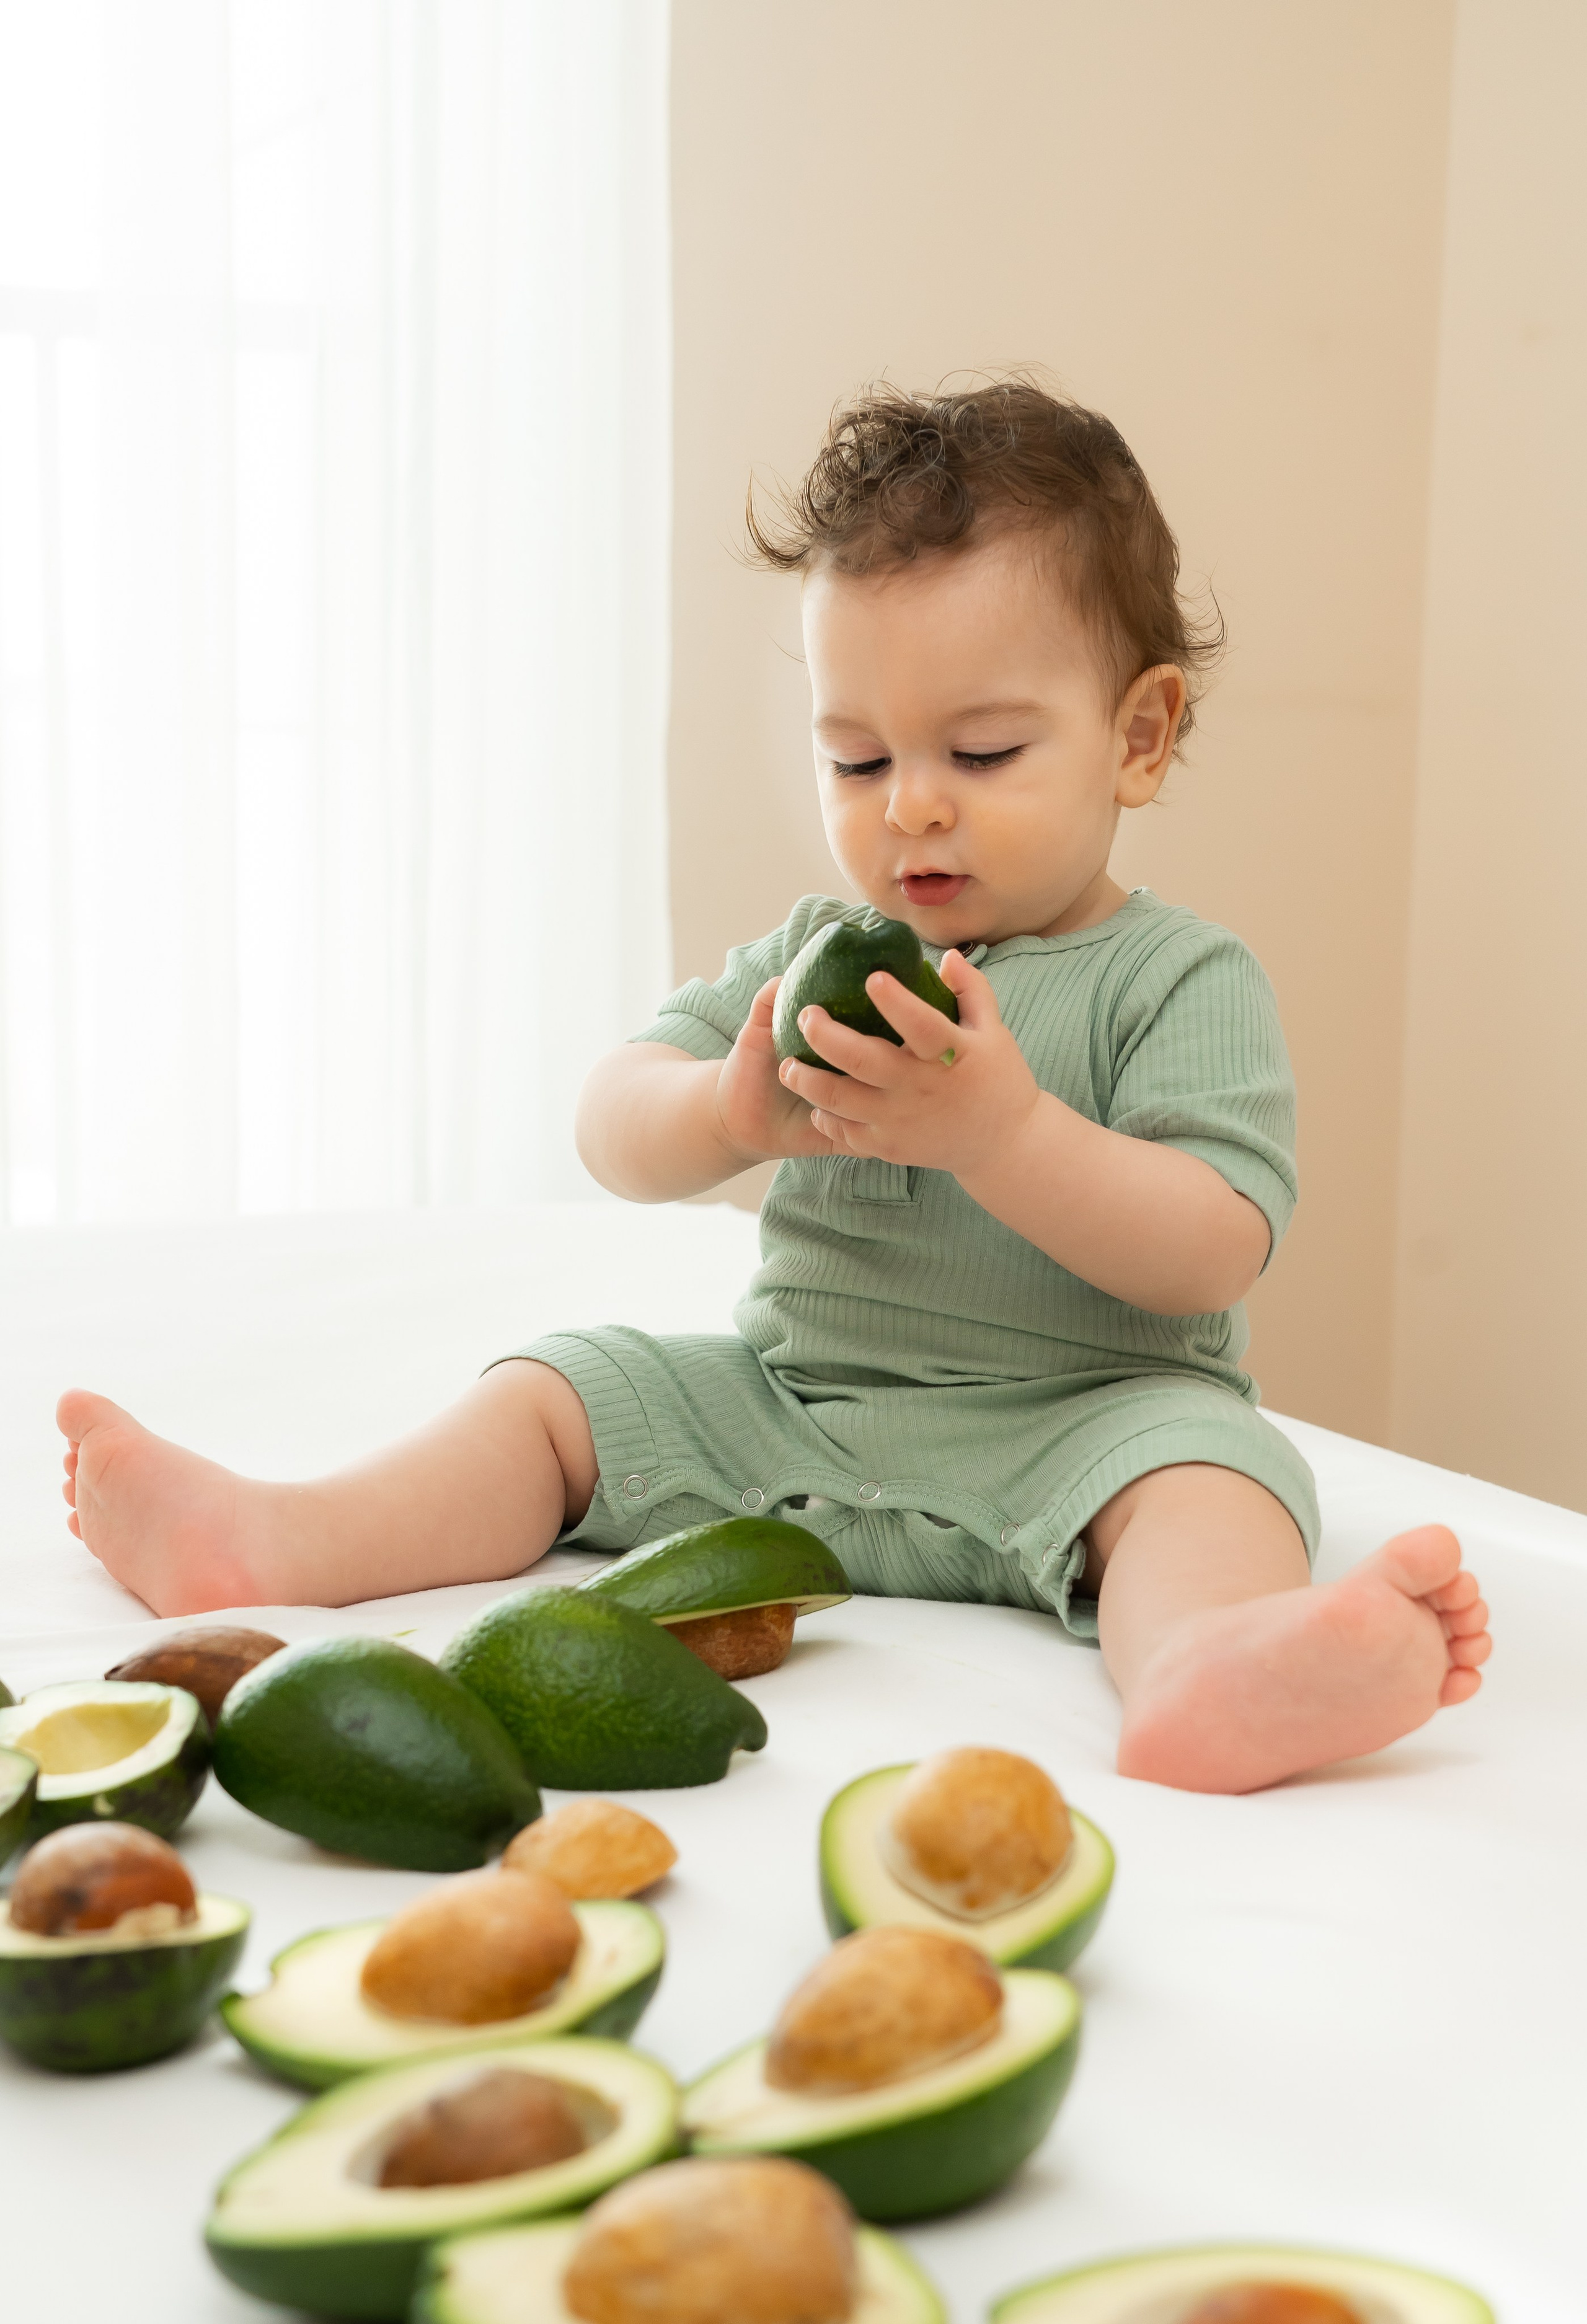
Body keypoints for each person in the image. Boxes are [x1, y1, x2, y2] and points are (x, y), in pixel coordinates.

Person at [57, 381, 1490, 1794]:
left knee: (1218, 1477)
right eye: (855, 757)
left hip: (1084, 1423)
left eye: (979, 752)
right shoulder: (820, 953)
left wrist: (1000, 1131)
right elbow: (614, 1120)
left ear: (1137, 736)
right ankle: (280, 1540)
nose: (910, 803)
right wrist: (728, 1115)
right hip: (794, 1412)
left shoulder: (1173, 977)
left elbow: (1208, 1247)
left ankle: (1204, 1671)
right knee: (559, 1390)